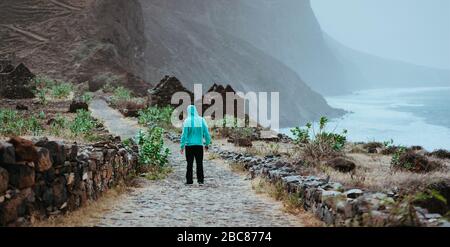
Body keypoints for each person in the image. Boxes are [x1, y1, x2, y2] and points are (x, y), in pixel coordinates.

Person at [180, 105, 211, 185]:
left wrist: (182, 146)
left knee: (189, 163)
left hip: (189, 146)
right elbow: (207, 133)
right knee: (199, 163)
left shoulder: (187, 121)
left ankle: (189, 181)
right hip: (199, 146)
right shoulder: (202, 120)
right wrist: (207, 143)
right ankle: (200, 180)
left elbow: (184, 135)